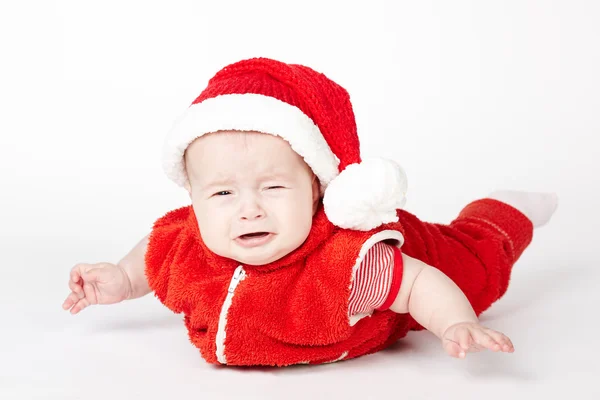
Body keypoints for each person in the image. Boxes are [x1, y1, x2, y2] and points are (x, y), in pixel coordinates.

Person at [62, 57, 558, 367]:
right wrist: (123, 279)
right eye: (221, 195)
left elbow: (418, 284)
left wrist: (454, 323)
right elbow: (156, 248)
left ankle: (507, 209)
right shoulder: (189, 241)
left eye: (274, 187)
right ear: (194, 199)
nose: (248, 210)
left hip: (432, 260)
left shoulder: (346, 265)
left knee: (480, 257)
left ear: (317, 191)